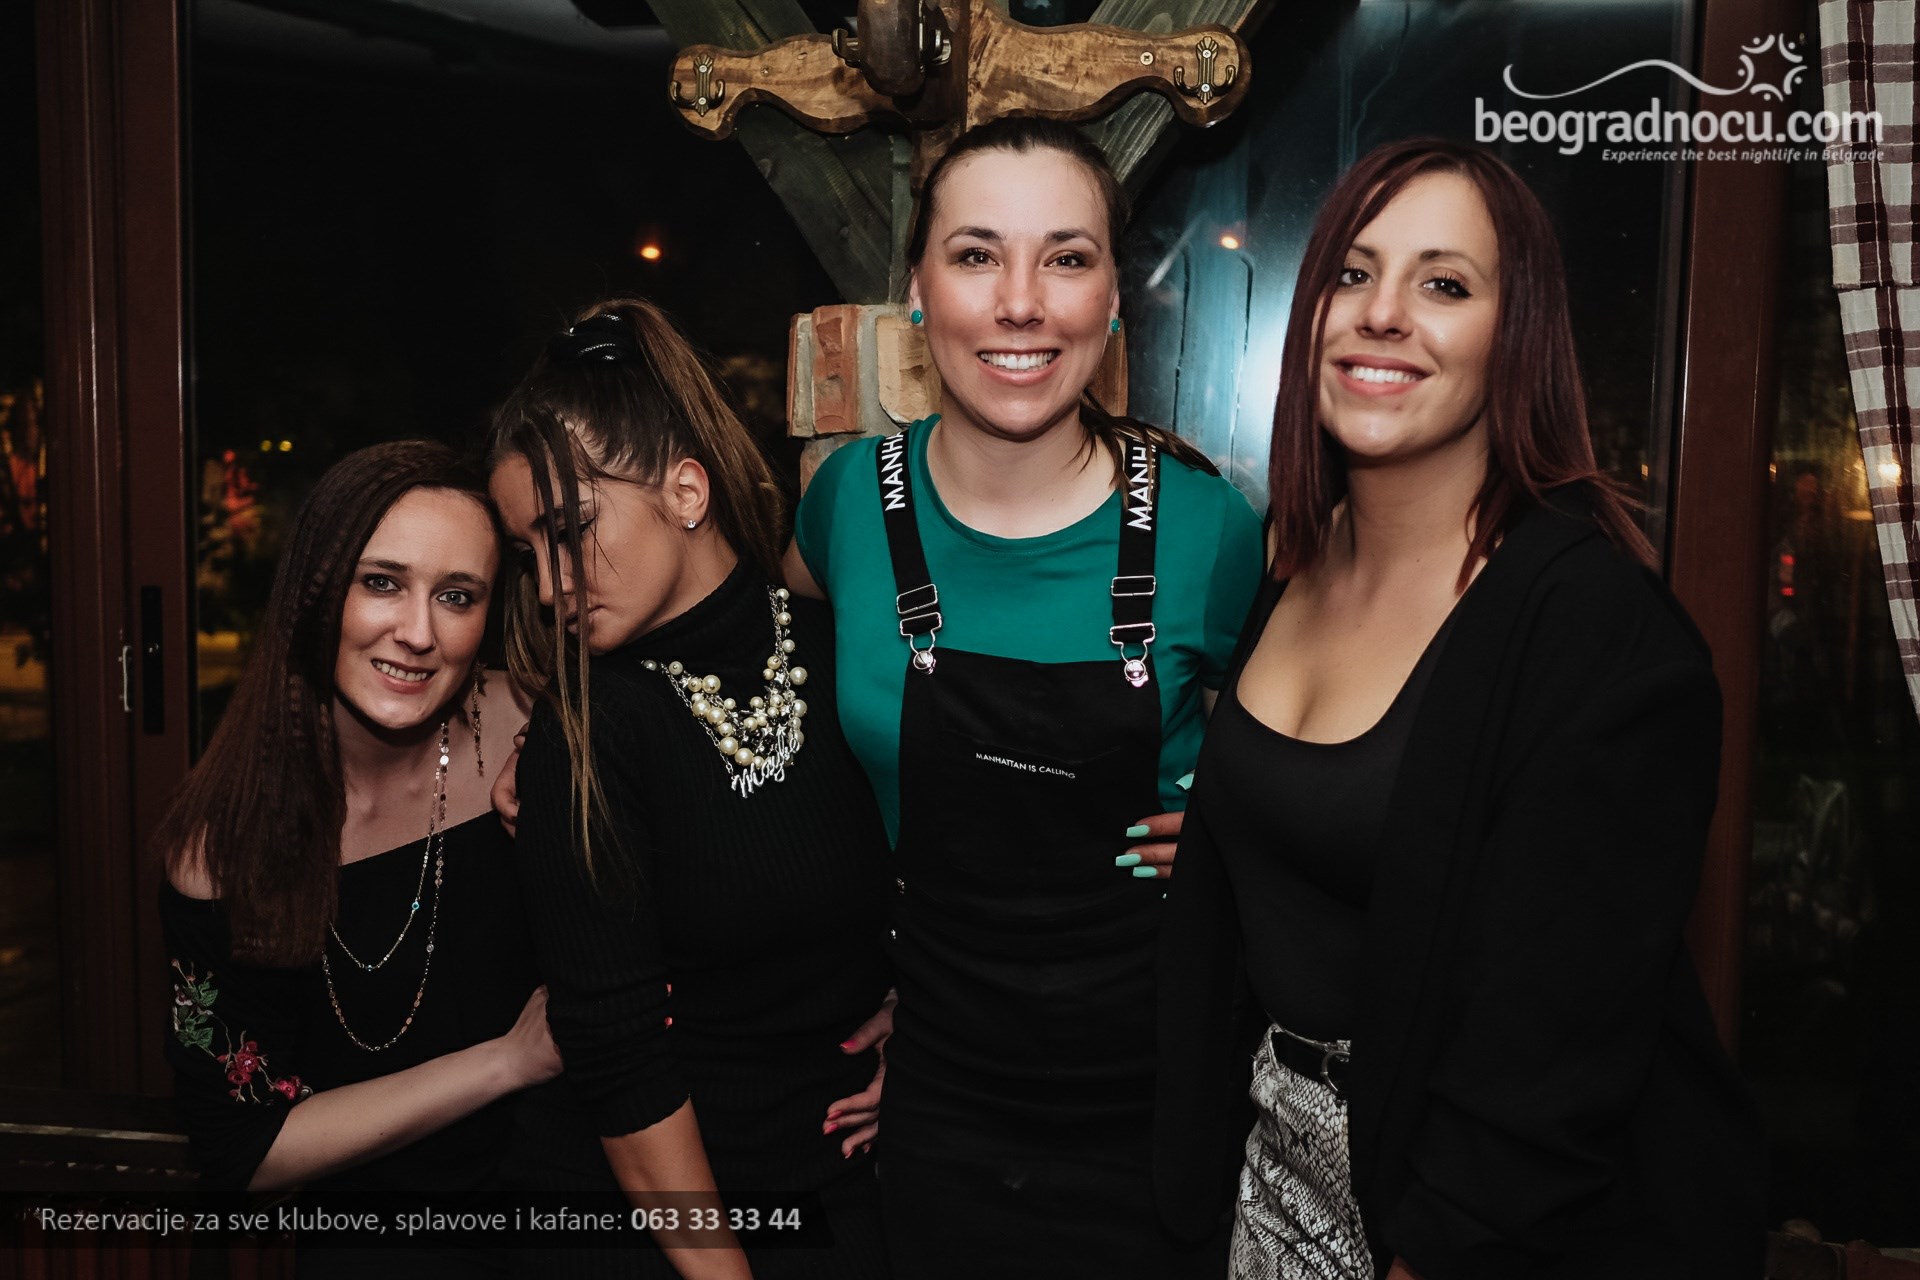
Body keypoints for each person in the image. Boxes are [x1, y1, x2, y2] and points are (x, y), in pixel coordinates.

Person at [1154, 138, 1765, 1279]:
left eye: (1444, 283)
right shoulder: (1298, 558)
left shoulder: (1598, 634)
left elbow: (1544, 1073)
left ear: (1516, 333)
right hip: (1274, 1171)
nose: (1382, 313)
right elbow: (1358, 837)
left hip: (1477, 1219)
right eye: (1352, 273)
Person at [784, 117, 1264, 1277]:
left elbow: (1317, 759)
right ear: (918, 295)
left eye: (1066, 257)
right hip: (938, 1088)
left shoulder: (1208, 530)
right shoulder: (845, 505)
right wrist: (558, 730)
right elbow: (767, 670)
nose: (1019, 303)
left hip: (1159, 1099)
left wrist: (1238, 827)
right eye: (976, 254)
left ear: (1112, 301)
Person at [486, 297, 892, 1279]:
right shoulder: (590, 732)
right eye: (528, 555)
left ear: (685, 489)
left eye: (570, 531)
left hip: (838, 1186)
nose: (550, 586)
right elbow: (617, 1053)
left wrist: (913, 1006)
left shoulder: (843, 649)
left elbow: (948, 856)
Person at [157, 440, 559, 1277]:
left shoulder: (537, 732)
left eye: (457, 596)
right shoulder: (223, 851)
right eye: (381, 582)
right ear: (316, 589)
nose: (417, 633)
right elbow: (244, 1152)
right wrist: (504, 1062)